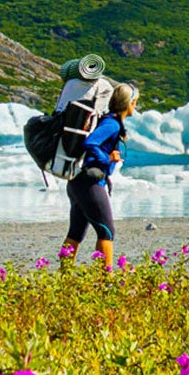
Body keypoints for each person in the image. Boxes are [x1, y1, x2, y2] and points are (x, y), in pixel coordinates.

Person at [57, 70, 137, 270]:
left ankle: (64, 277)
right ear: (128, 103)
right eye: (135, 101)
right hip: (90, 184)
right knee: (107, 232)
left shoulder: (109, 121)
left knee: (76, 232)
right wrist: (107, 157)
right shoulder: (111, 124)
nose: (135, 106)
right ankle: (105, 280)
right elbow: (90, 143)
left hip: (77, 183)